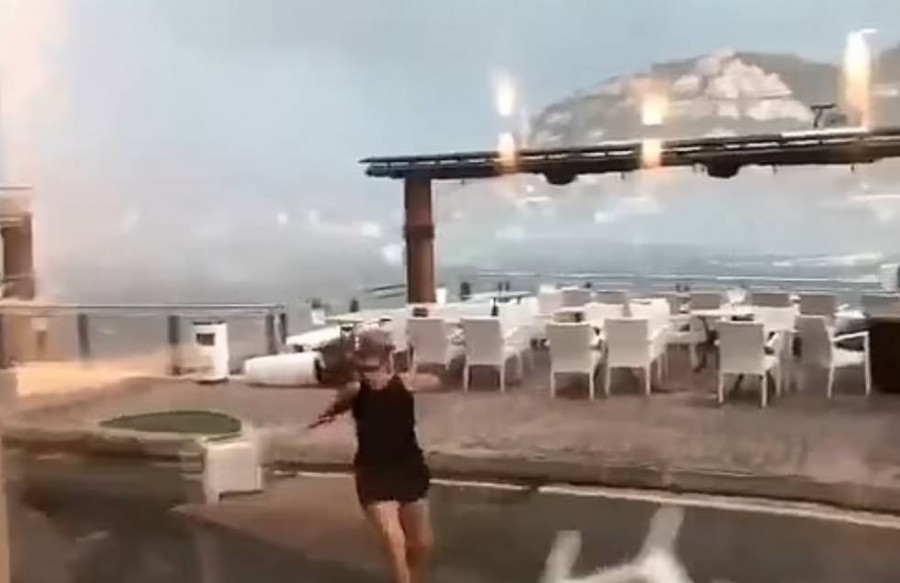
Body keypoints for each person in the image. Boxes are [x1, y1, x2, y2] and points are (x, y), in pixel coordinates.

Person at [309, 328, 433, 583]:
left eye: (373, 366)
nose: (370, 375)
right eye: (365, 367)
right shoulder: (356, 389)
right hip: (373, 471)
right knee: (394, 540)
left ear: (386, 360)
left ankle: (413, 578)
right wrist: (326, 416)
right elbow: (338, 404)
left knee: (422, 543)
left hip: (408, 467)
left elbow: (434, 380)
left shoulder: (405, 383)